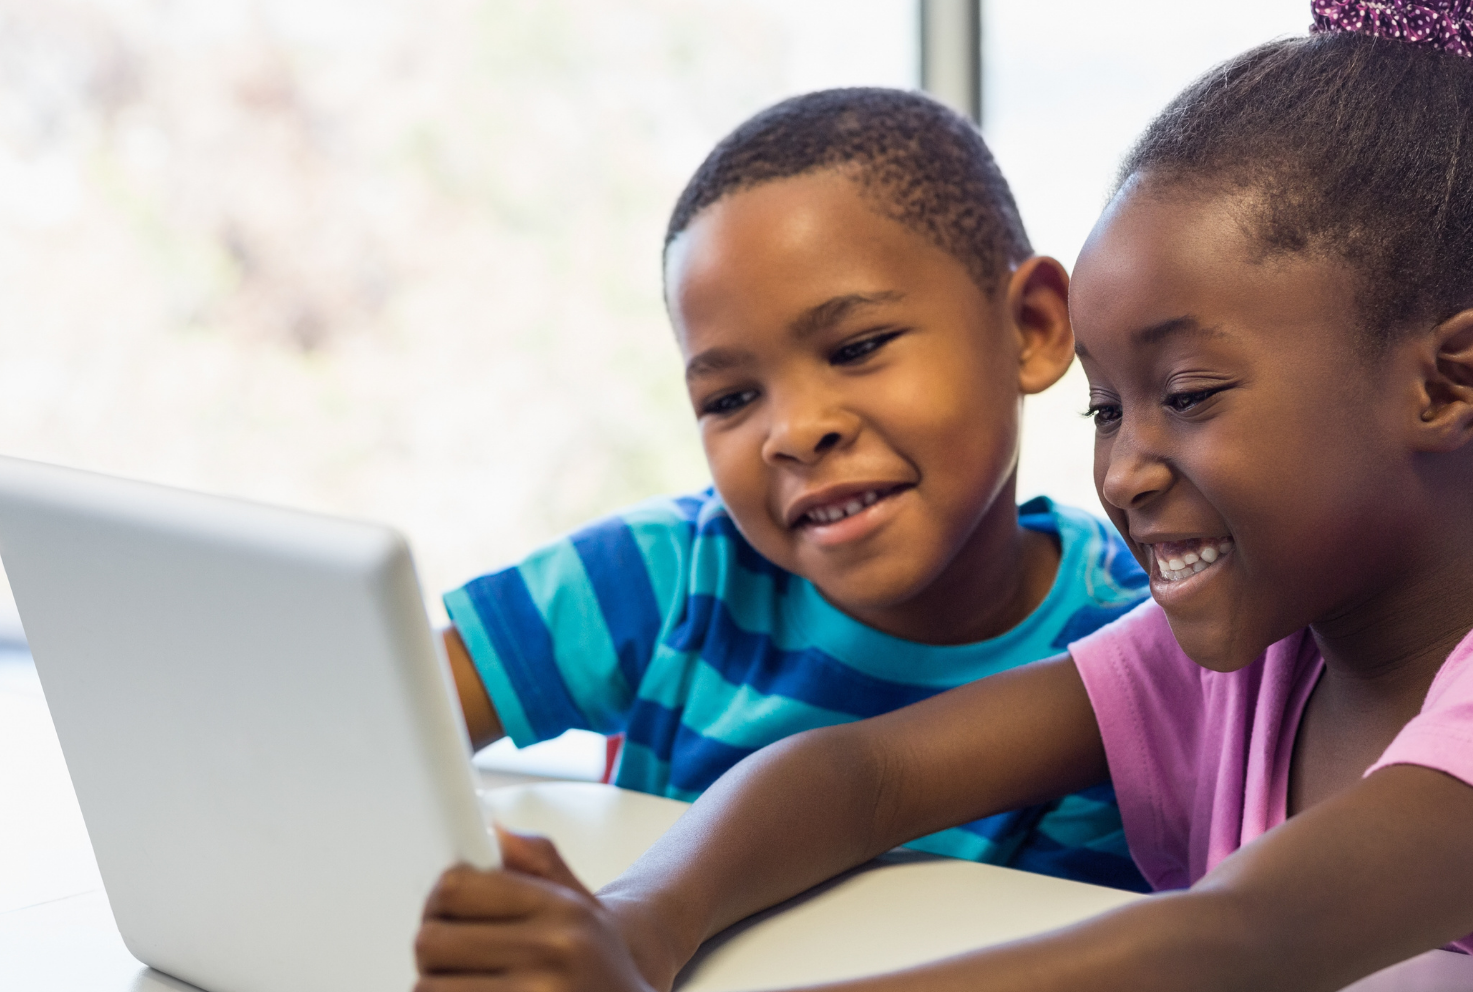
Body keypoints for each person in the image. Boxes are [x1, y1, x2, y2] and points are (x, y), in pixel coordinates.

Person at [414, 0, 1473, 989]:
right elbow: (863, 773)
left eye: (1189, 393)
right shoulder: (1236, 668)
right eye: (1108, 409)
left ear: (1450, 384)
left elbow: (1238, 943)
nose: (1125, 471)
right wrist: (641, 923)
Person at [440, 87, 1154, 891]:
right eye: (730, 399)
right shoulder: (667, 572)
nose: (794, 432)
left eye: (858, 347)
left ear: (1031, 327)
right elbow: (376, 717)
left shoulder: (1137, 655)